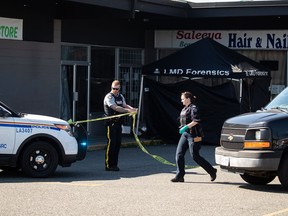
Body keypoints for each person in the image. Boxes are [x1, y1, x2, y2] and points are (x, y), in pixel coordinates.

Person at [171, 91, 217, 182]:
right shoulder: (184, 108)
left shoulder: (194, 108)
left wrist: (186, 127)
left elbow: (196, 121)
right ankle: (179, 175)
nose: (182, 101)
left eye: (183, 99)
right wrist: (183, 128)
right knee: (179, 154)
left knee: (195, 156)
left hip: (194, 134)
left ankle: (212, 170)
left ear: (188, 99)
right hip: (185, 134)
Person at [103, 80, 137, 171]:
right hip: (111, 123)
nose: (115, 90)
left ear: (119, 89)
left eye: (117, 89)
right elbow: (116, 108)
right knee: (111, 143)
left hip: (118, 123)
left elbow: (124, 105)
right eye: (113, 88)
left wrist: (132, 108)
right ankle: (108, 164)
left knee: (117, 144)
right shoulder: (109, 96)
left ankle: (114, 164)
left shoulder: (120, 96)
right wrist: (128, 111)